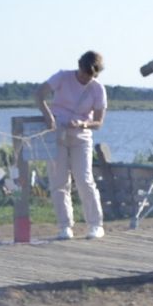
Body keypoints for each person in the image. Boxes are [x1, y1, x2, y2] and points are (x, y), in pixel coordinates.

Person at [34, 51, 108, 240]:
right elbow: (39, 94)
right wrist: (48, 115)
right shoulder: (62, 76)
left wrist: (83, 124)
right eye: (83, 73)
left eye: (90, 75)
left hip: (81, 137)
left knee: (84, 179)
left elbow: (98, 122)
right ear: (79, 67)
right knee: (58, 181)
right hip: (57, 133)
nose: (85, 78)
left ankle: (95, 224)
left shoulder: (97, 89)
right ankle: (65, 226)